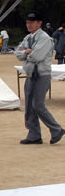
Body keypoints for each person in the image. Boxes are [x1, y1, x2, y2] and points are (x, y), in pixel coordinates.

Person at [15, 13, 65, 145]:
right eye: (27, 22)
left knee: (38, 105)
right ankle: (34, 135)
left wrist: (26, 53)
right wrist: (27, 52)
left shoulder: (45, 38)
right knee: (29, 106)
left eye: (32, 22)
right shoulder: (28, 37)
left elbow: (37, 56)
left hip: (41, 75)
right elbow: (17, 53)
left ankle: (56, 129)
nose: (29, 25)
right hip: (31, 74)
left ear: (39, 23)